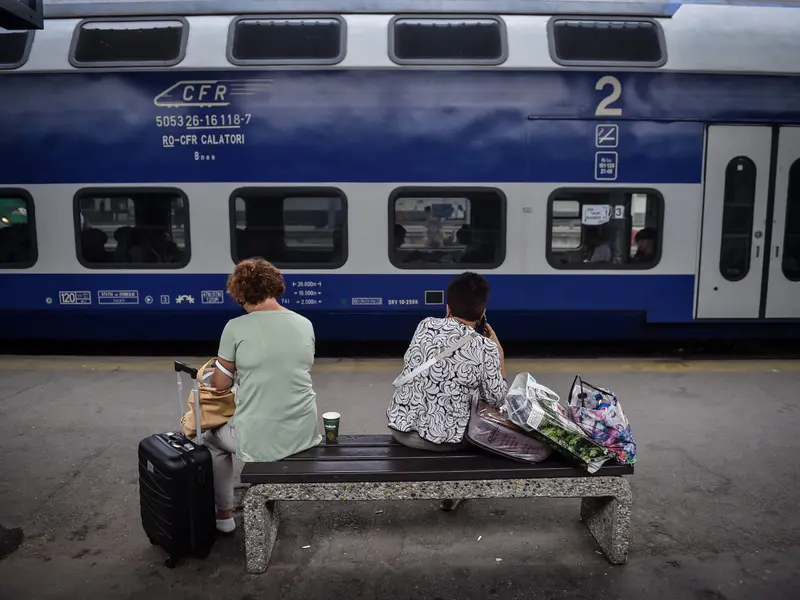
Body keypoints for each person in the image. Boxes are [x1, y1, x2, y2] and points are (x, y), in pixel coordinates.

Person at [206, 258, 322, 534]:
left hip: (261, 437)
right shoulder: (304, 323)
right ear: (274, 287)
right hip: (303, 431)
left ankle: (223, 514)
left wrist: (215, 372)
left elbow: (220, 384)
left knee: (210, 440)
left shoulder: (235, 327)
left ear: (241, 293)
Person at [387, 272, 508, 510]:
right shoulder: (485, 347)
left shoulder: (424, 325)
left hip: (401, 430)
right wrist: (498, 349)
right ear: (483, 311)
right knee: (487, 419)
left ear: (448, 306)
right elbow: (497, 399)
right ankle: (458, 488)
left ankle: (452, 488)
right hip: (446, 442)